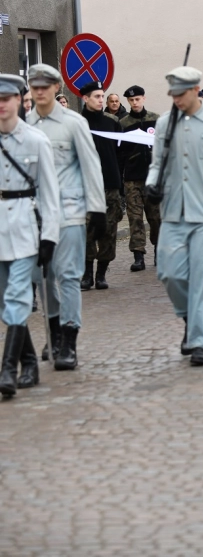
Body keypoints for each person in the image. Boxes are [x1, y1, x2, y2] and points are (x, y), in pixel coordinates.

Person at [145, 66, 203, 366]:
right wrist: (151, 185)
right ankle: (189, 317)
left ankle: (201, 341)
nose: (175, 99)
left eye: (180, 93)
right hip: (173, 210)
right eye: (172, 94)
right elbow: (157, 162)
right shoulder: (164, 123)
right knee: (170, 273)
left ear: (196, 90)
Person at [27, 64, 106, 371]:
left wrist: (96, 208)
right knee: (42, 278)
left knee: (68, 276)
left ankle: (69, 341)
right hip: (36, 215)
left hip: (70, 211)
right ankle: (55, 330)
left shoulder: (74, 123)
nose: (40, 90)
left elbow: (91, 166)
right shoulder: (26, 126)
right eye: (35, 85)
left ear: (57, 86)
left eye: (46, 85)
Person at [0, 74, 59, 397]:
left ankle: (8, 369)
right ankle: (29, 362)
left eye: (6, 99)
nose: (1, 106)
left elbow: (50, 194)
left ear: (17, 101)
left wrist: (49, 236)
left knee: (17, 299)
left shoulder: (36, 140)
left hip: (25, 229)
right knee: (3, 304)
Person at [78, 81, 124, 289]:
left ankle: (101, 274)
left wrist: (121, 185)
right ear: (85, 98)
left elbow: (120, 153)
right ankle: (87, 273)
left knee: (109, 229)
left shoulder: (112, 122)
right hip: (85, 186)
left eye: (102, 96)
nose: (101, 100)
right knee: (87, 230)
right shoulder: (77, 123)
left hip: (110, 184)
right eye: (96, 96)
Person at [118, 85, 161, 271]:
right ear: (128, 101)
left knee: (156, 217)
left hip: (153, 177)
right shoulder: (123, 123)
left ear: (143, 98)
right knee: (135, 218)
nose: (135, 103)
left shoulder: (155, 120)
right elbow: (119, 152)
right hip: (132, 178)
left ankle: (160, 251)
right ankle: (138, 255)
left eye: (137, 99)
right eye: (131, 100)